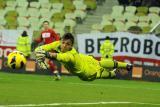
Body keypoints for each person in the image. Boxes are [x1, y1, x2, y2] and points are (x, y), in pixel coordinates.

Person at [35, 33, 133, 81]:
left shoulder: (70, 55)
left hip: (87, 72)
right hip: (83, 61)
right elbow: (40, 48)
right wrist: (39, 56)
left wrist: (46, 55)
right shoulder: (57, 44)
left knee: (100, 67)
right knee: (99, 64)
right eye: (63, 42)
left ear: (71, 46)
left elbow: (58, 56)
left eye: (67, 44)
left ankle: (121, 68)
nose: (64, 45)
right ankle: (115, 72)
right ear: (61, 41)